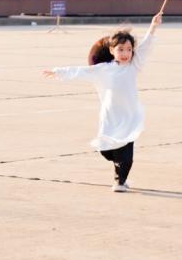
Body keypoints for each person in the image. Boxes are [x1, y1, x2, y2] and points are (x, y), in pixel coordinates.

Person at [42, 13, 162, 193]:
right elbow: (80, 71)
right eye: (121, 49)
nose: (125, 53)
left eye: (128, 50)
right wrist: (58, 71)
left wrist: (153, 26)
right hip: (110, 117)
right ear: (112, 50)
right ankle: (118, 170)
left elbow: (146, 45)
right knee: (107, 150)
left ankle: (120, 181)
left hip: (129, 117)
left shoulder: (133, 66)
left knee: (126, 152)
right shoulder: (103, 70)